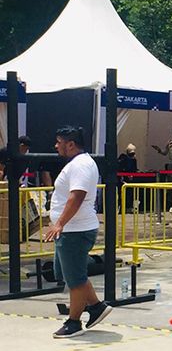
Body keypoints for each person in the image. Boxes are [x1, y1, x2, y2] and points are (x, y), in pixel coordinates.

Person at [44, 126, 112, 338]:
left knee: (75, 278)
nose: (56, 146)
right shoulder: (78, 163)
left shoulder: (81, 165)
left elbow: (77, 196)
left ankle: (73, 323)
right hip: (71, 230)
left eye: (59, 142)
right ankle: (96, 306)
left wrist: (59, 224)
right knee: (68, 273)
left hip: (75, 230)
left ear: (70, 144)